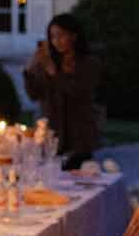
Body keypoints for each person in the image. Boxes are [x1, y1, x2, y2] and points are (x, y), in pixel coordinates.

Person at [23, 13, 102, 169]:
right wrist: (29, 72)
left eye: (61, 35)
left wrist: (55, 74)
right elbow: (34, 95)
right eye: (52, 37)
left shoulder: (89, 63)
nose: (56, 41)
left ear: (74, 36)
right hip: (52, 137)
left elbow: (78, 92)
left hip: (79, 137)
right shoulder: (49, 63)